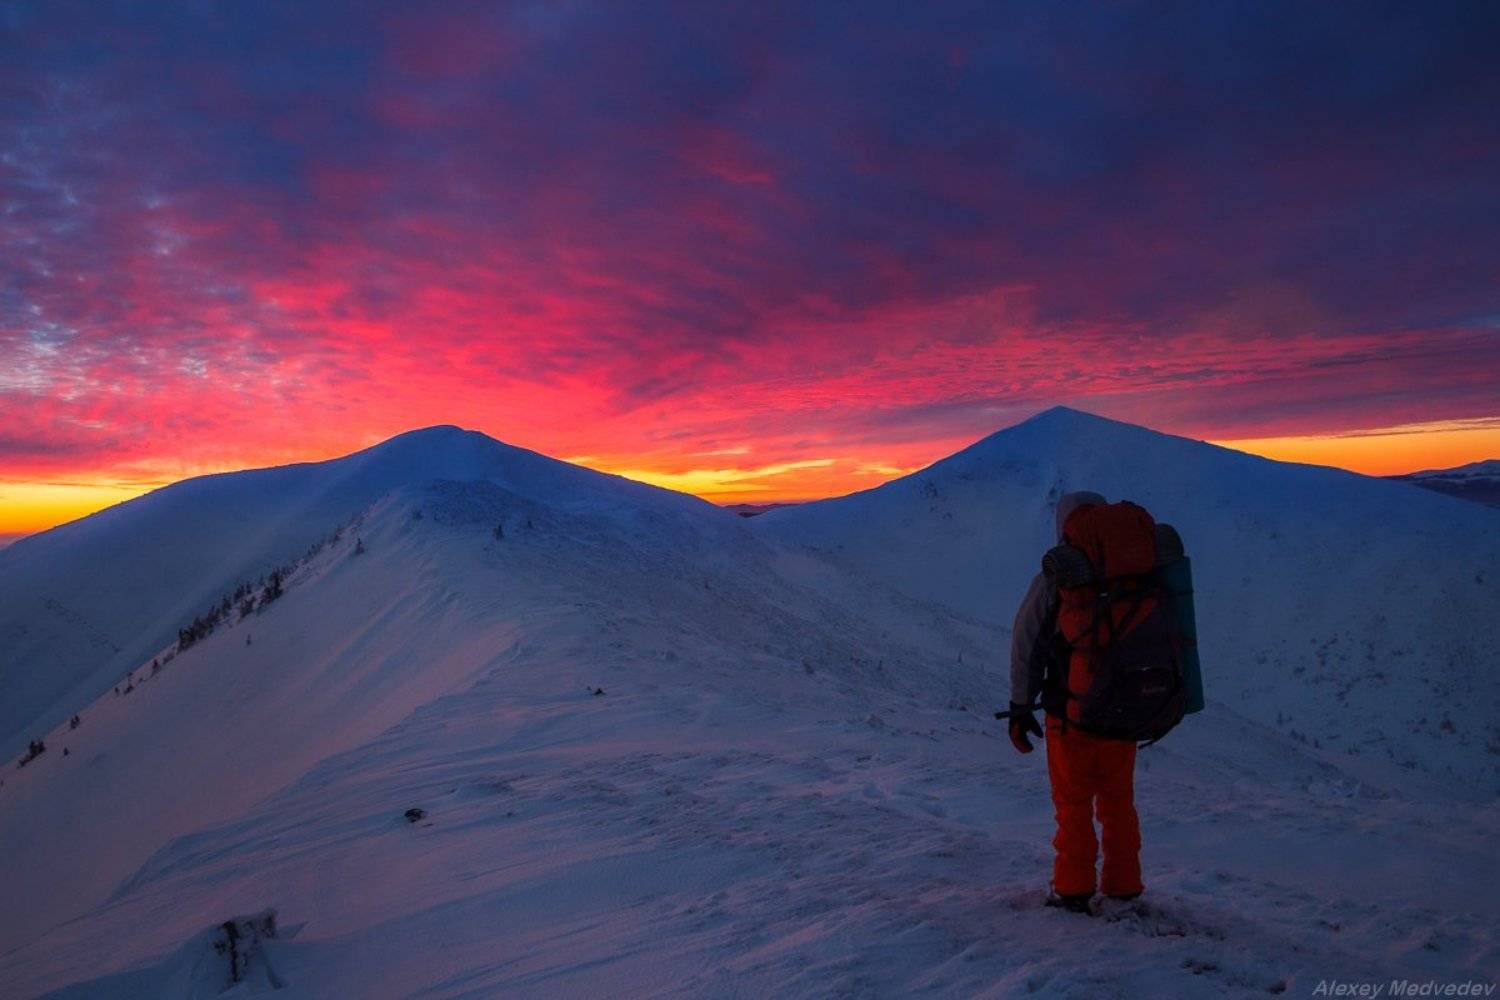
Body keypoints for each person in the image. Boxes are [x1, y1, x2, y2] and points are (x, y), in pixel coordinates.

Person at [1007, 490, 1143, 914]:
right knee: (1118, 802)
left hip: (1071, 713)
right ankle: (1124, 886)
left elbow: (1026, 641)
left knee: (1073, 804)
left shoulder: (1061, 572)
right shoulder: (1136, 570)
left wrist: (1019, 707)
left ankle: (1073, 889)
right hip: (1125, 712)